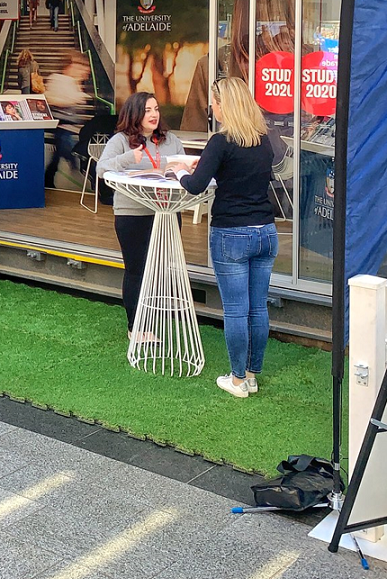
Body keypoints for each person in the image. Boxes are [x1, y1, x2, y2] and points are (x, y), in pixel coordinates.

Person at [172, 77, 278, 399]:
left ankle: (236, 381)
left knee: (235, 310)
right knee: (257, 308)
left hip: (231, 232)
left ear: (223, 105)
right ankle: (251, 375)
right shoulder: (263, 140)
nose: (212, 108)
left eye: (214, 103)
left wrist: (177, 169)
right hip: (266, 231)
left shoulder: (220, 141)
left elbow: (195, 185)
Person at [99, 93, 184, 342]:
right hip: (133, 214)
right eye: (148, 110)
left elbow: (181, 166)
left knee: (158, 269)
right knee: (136, 270)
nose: (154, 114)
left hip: (166, 213)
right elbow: (102, 169)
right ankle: (135, 327)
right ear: (135, 113)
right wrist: (129, 158)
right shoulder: (121, 141)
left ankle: (151, 319)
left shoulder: (171, 140)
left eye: (156, 109)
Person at [44, 51, 92, 188]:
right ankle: (76, 169)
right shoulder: (58, 79)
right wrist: (73, 99)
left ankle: (48, 180)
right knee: (67, 151)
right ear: (69, 66)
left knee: (57, 157)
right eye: (77, 65)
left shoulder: (73, 82)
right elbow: (51, 98)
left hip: (68, 127)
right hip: (62, 126)